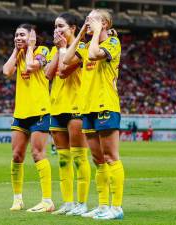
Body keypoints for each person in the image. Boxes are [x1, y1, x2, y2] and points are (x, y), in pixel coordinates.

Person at [64, 9, 124, 220]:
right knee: (98, 159)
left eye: (92, 19)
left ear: (105, 23)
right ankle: (102, 205)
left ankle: (116, 207)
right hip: (87, 108)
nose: (87, 22)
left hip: (105, 105)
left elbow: (92, 55)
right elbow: (67, 59)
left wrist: (97, 32)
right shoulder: (86, 43)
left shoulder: (113, 43)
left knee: (110, 157)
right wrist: (81, 35)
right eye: (86, 20)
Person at [3, 24, 54, 212]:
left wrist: (30, 47)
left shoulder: (43, 51)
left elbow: (32, 67)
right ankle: (17, 199)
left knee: (38, 153)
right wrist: (16, 50)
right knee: (16, 155)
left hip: (40, 110)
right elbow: (6, 71)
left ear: (32, 36)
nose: (18, 37)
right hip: (21, 112)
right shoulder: (18, 54)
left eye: (22, 35)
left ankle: (47, 200)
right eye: (16, 35)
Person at [45, 12, 91, 216]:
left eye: (61, 26)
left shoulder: (81, 48)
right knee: (63, 160)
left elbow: (63, 70)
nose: (57, 30)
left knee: (79, 158)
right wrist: (58, 49)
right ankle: (68, 202)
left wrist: (63, 48)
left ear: (73, 28)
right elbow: (47, 74)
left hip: (75, 107)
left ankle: (82, 203)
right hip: (56, 106)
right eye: (55, 26)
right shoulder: (59, 49)